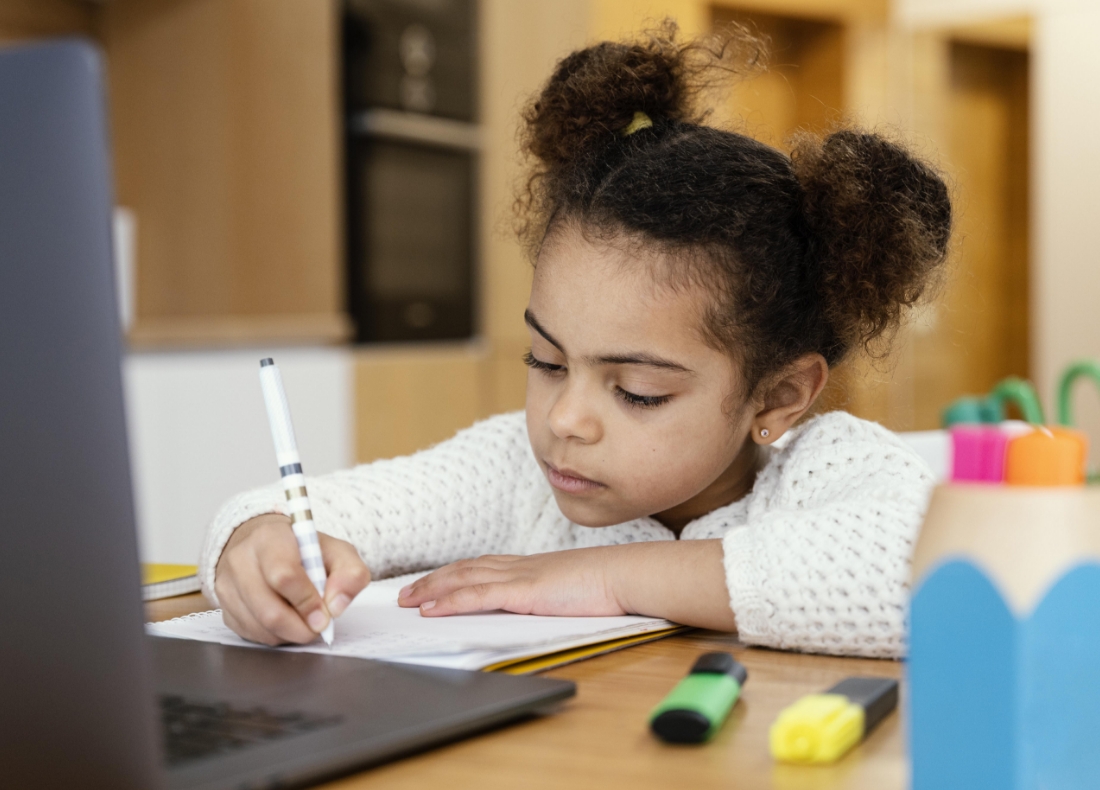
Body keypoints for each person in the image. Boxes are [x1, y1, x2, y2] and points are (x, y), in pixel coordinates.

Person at [201, 23, 951, 659]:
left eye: (636, 391)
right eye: (547, 361)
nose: (565, 420)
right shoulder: (518, 475)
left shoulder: (824, 469)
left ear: (780, 396)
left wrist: (604, 576)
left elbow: (926, 578)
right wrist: (258, 546)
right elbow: (292, 510)